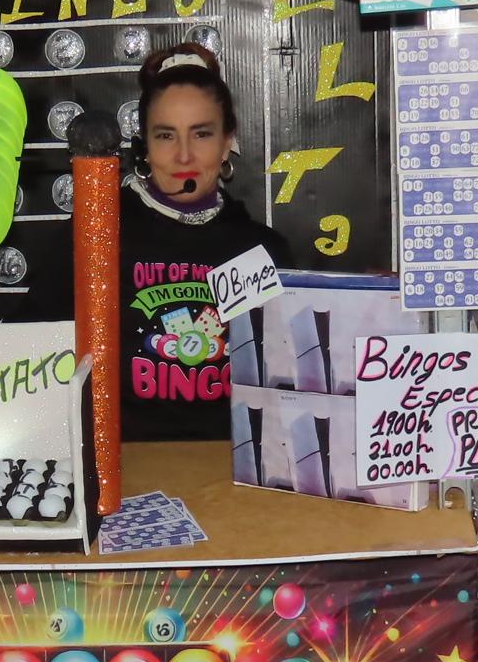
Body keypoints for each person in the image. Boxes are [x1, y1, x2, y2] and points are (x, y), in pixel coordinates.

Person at [33, 42, 293, 441]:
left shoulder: (262, 250)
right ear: (145, 147)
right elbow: (27, 367)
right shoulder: (94, 236)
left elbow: (289, 385)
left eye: (201, 134)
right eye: (166, 135)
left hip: (232, 473)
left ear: (227, 142)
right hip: (122, 469)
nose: (184, 156)